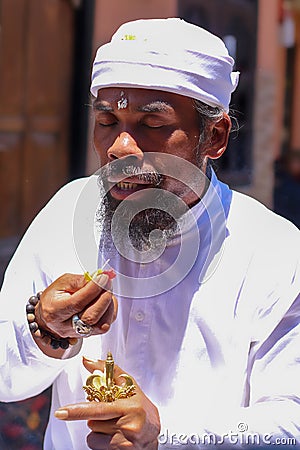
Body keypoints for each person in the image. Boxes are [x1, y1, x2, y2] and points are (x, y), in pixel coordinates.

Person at [1, 17, 300, 450]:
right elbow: (8, 380)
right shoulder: (69, 212)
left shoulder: (275, 251)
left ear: (213, 136)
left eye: (152, 124)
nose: (121, 148)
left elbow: (291, 424)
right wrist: (45, 330)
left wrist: (166, 433)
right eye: (107, 121)